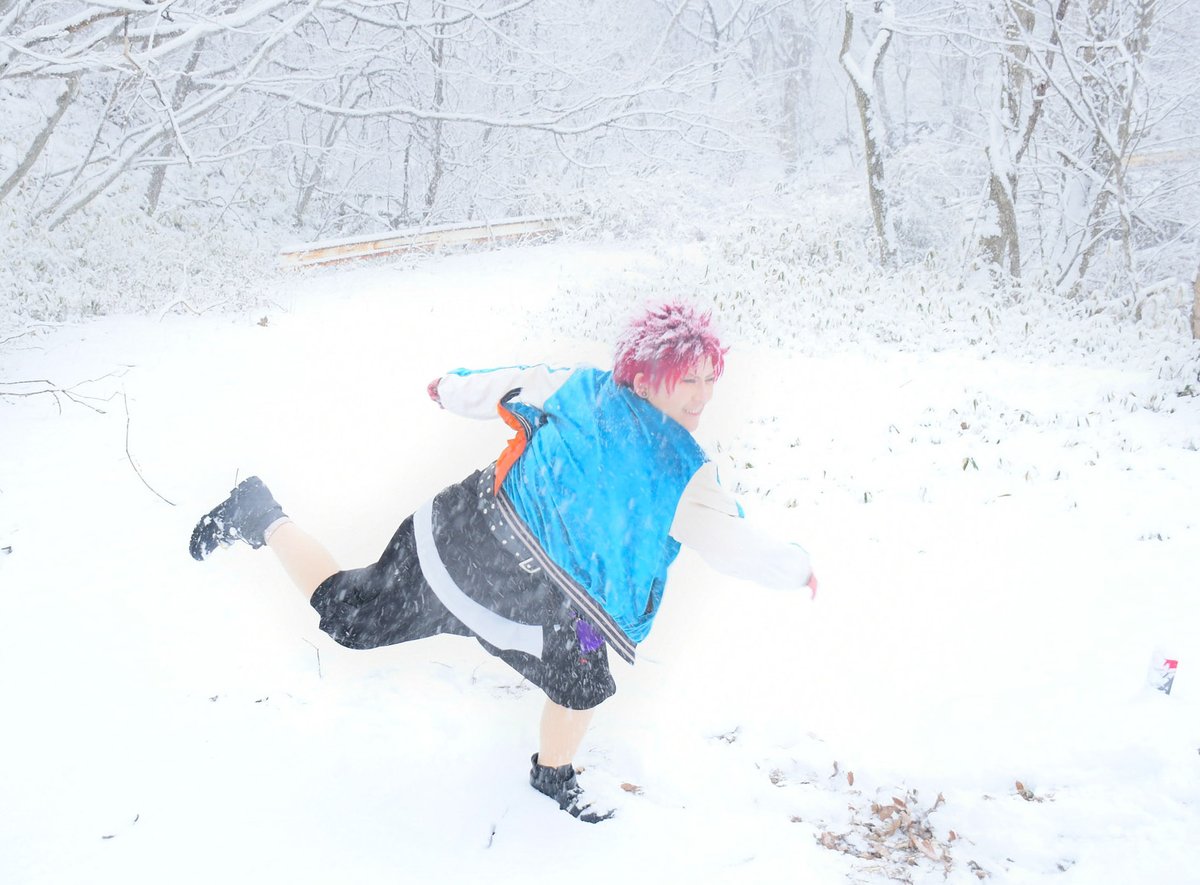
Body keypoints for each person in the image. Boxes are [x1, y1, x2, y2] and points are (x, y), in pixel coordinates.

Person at [189, 301, 817, 823]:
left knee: (584, 678)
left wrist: (792, 567)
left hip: (559, 602)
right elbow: (509, 382)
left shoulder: (683, 473)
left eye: (710, 379)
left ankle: (553, 775)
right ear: (646, 375)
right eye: (689, 380)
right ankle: (258, 513)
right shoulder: (582, 389)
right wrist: (451, 389)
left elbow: (731, 541)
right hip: (467, 544)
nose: (703, 397)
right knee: (350, 620)